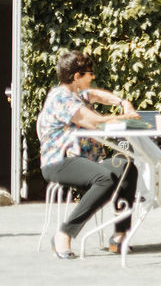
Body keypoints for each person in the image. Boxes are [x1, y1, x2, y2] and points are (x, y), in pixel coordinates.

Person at [37, 51, 141, 259]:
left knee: (127, 167)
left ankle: (119, 236)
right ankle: (63, 233)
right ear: (77, 76)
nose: (92, 77)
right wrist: (126, 116)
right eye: (89, 73)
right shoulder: (61, 98)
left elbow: (96, 95)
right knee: (105, 179)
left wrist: (121, 102)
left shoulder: (77, 94)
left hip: (82, 161)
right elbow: (94, 122)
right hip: (59, 161)